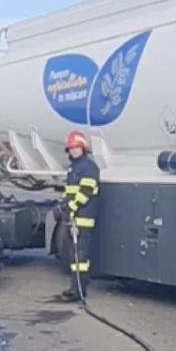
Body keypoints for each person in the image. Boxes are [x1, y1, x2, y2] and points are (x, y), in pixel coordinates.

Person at [60, 129, 100, 302]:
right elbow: (69, 191)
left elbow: (86, 191)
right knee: (74, 256)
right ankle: (74, 288)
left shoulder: (89, 167)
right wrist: (62, 205)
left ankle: (80, 290)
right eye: (71, 148)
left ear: (83, 148)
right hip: (73, 217)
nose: (73, 150)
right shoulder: (73, 167)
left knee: (80, 256)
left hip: (83, 218)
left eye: (76, 147)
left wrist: (72, 206)